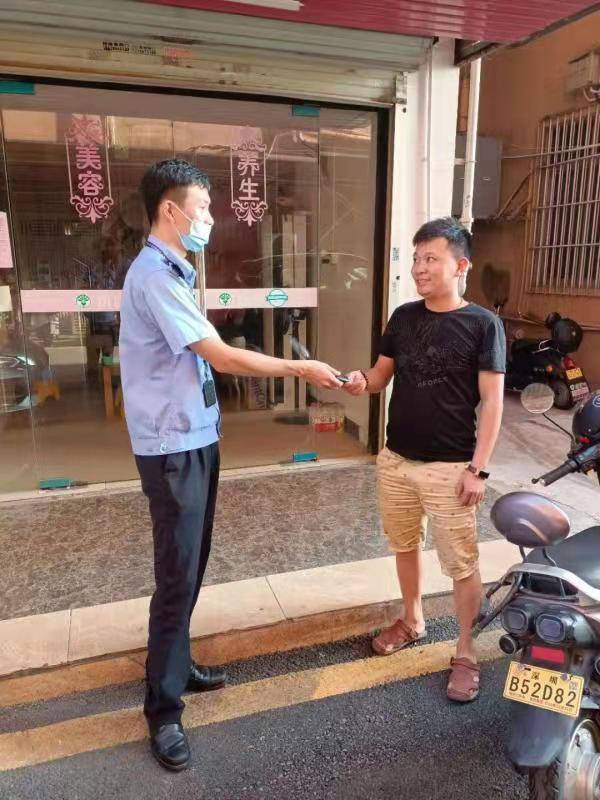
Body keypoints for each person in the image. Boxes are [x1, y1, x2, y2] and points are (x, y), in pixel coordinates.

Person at [119, 159, 342, 771]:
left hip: (194, 435)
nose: (210, 219)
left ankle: (176, 664)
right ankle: (163, 710)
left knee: (192, 563)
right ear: (171, 211)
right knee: (177, 574)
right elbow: (217, 355)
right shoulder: (154, 276)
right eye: (203, 208)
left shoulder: (173, 269)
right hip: (172, 446)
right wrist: (298, 368)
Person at [343, 217, 505, 703]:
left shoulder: (483, 325)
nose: (419, 268)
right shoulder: (403, 317)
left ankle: (466, 651)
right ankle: (412, 620)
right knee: (404, 545)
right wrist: (359, 381)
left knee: (461, 563)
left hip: (451, 468)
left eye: (431, 258)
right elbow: (380, 376)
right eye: (416, 258)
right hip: (396, 459)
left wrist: (477, 469)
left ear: (461, 265)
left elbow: (492, 402)